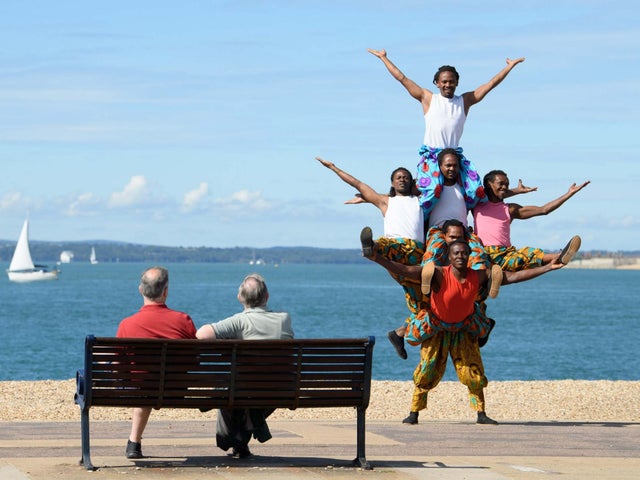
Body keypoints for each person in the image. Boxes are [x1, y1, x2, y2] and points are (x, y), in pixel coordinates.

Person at [372, 240, 565, 425]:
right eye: (456, 253)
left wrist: (547, 267)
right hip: (436, 328)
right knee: (426, 371)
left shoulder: (478, 276)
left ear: (470, 255)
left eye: (464, 253)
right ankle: (413, 413)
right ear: (449, 256)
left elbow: (512, 277)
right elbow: (404, 270)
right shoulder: (439, 273)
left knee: (473, 372)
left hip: (462, 329)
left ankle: (481, 413)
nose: (461, 256)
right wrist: (377, 258)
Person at [368, 48, 525, 217]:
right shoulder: (428, 98)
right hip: (432, 156)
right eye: (444, 82)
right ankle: (423, 222)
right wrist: (384, 58)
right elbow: (402, 78)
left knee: (476, 191)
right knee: (431, 192)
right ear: (436, 83)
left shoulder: (464, 101)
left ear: (457, 83)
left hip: (454, 158)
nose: (447, 85)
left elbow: (490, 85)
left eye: (451, 82)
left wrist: (509, 67)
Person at [316, 156, 424, 360]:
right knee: (386, 244)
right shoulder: (385, 201)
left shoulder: (421, 201)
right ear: (392, 183)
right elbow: (358, 183)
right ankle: (372, 247)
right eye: (398, 177)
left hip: (415, 258)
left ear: (412, 182)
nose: (402, 180)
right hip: (395, 248)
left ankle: (399, 334)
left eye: (406, 177)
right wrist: (333, 167)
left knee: (424, 307)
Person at [196, 273, 293, 458]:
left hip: (244, 388)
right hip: (279, 390)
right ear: (267, 296)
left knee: (232, 391)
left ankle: (232, 437)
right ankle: (249, 428)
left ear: (240, 298)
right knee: (247, 392)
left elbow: (201, 334)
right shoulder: (284, 319)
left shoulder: (239, 321)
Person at [116, 266, 197, 459]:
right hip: (176, 390)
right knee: (152, 379)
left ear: (141, 290)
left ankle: (134, 442)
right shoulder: (183, 320)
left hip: (142, 390)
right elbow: (195, 360)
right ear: (166, 291)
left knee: (145, 381)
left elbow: (120, 367)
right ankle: (238, 443)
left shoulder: (127, 325)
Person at [473, 170, 591, 270]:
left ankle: (560, 257)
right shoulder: (476, 204)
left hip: (505, 255)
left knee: (528, 254)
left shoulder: (510, 209)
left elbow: (544, 210)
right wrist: (518, 190)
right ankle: (491, 282)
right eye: (501, 183)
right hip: (483, 254)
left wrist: (569, 193)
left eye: (507, 184)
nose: (504, 187)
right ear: (489, 184)